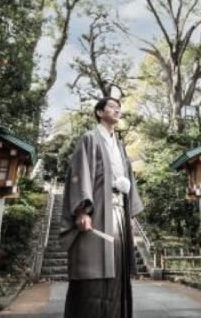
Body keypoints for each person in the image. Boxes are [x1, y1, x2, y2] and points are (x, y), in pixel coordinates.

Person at [60, 97, 143, 318]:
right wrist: (81, 211)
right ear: (99, 112)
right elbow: (79, 172)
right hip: (96, 211)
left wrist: (130, 216)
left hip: (119, 212)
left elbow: (129, 180)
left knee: (117, 269)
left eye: (119, 108)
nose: (117, 110)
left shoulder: (120, 146)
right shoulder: (89, 139)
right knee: (93, 269)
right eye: (112, 107)